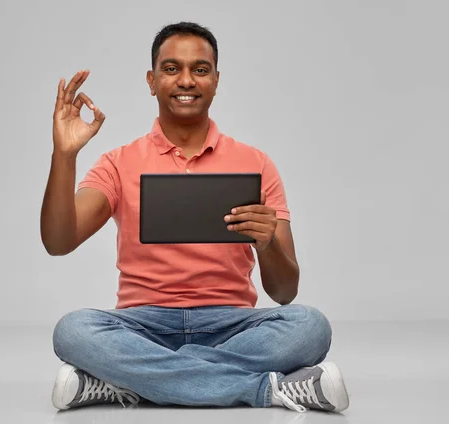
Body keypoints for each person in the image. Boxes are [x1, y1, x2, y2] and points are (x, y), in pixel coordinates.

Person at [40, 21, 350, 414]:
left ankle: (126, 381)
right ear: (152, 81)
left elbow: (285, 292)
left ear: (216, 81)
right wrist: (64, 156)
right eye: (171, 69)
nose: (186, 80)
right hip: (142, 326)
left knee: (310, 326)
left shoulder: (257, 164)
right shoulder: (118, 163)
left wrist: (268, 242)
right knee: (73, 330)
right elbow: (57, 241)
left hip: (231, 326)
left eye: (199, 70)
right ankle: (265, 390)